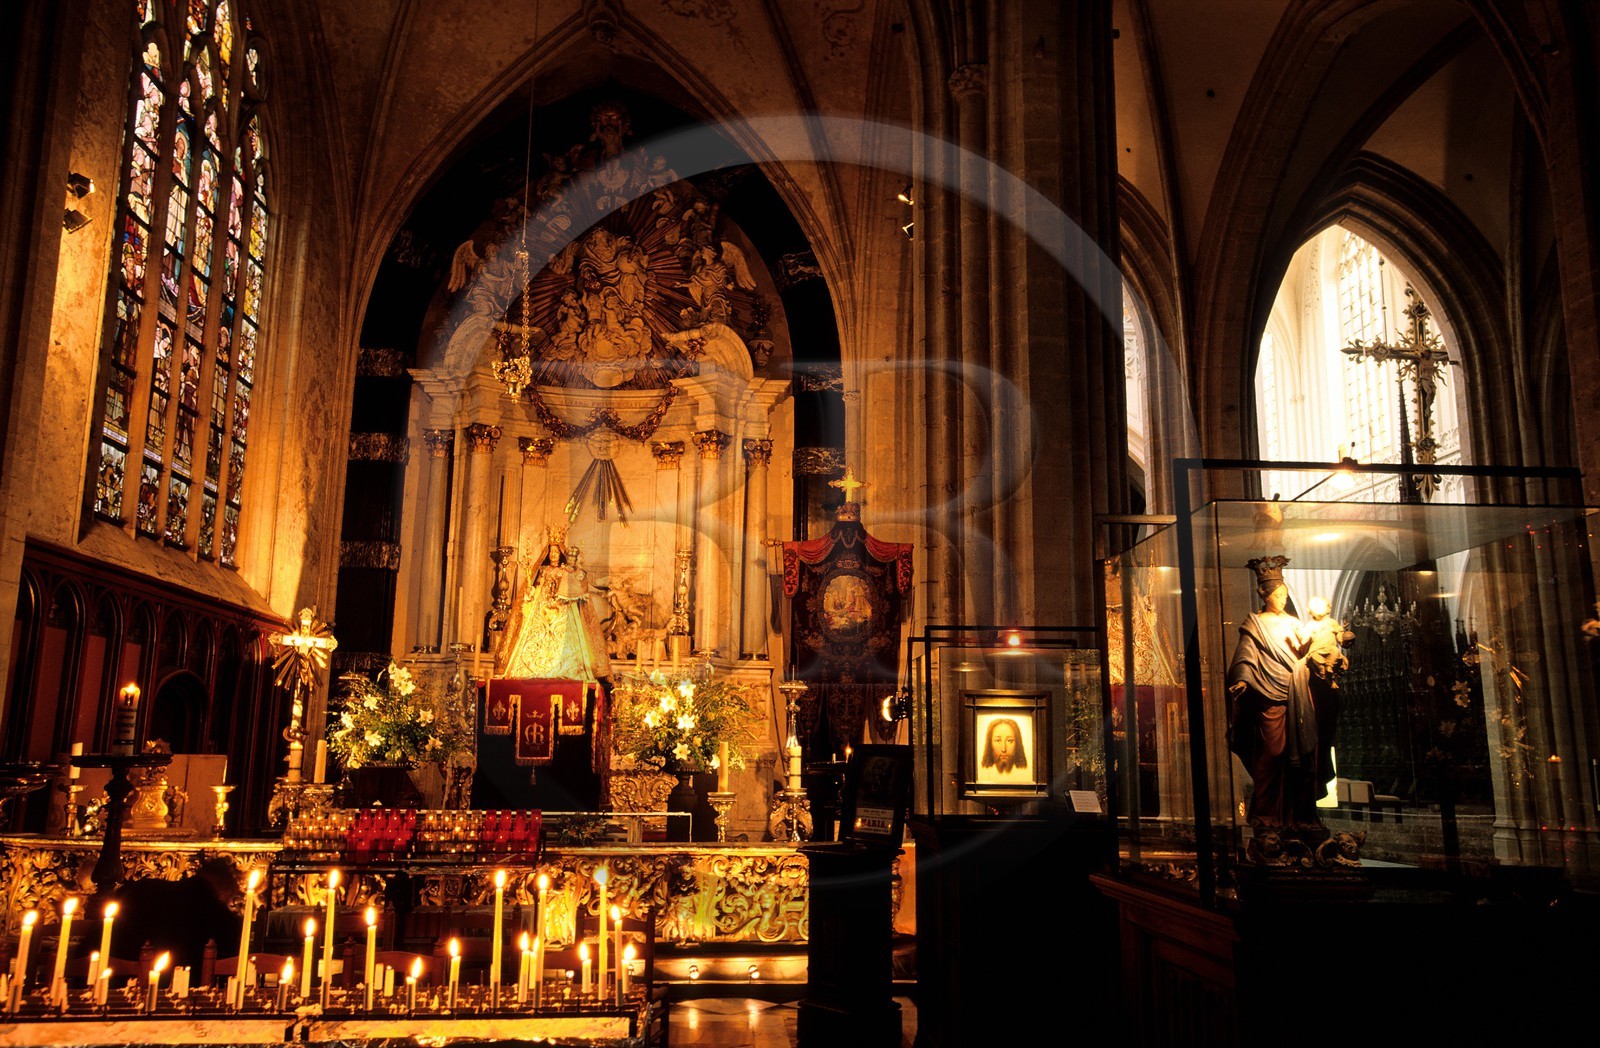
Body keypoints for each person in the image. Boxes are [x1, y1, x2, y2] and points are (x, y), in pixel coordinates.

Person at [1225, 555, 1326, 840]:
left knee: (1305, 757)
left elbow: (1309, 652)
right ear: (1264, 594)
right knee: (1272, 753)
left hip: (1297, 693)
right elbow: (1245, 658)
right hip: (1268, 694)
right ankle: (1267, 814)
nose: (1282, 599)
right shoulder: (1256, 625)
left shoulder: (1295, 622)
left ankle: (1301, 815)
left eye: (1284, 594)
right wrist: (1242, 680)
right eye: (1277, 595)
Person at [979, 717, 1029, 782]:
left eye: (1010, 741)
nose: (1003, 749)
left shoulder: (1025, 775)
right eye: (998, 740)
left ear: (1018, 743)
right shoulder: (984, 774)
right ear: (989, 743)